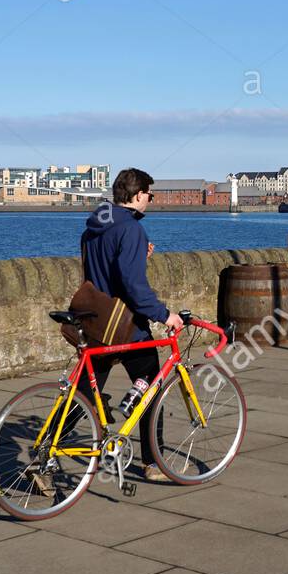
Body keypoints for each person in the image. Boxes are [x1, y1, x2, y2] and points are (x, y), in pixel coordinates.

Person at [80, 167, 185, 482]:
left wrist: (139, 256)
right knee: (151, 385)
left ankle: (44, 456)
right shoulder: (132, 231)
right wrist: (165, 314)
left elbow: (102, 271)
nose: (150, 201)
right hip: (126, 325)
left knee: (84, 395)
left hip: (96, 321)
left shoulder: (93, 227)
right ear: (138, 195)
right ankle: (153, 464)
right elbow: (132, 286)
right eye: (149, 195)